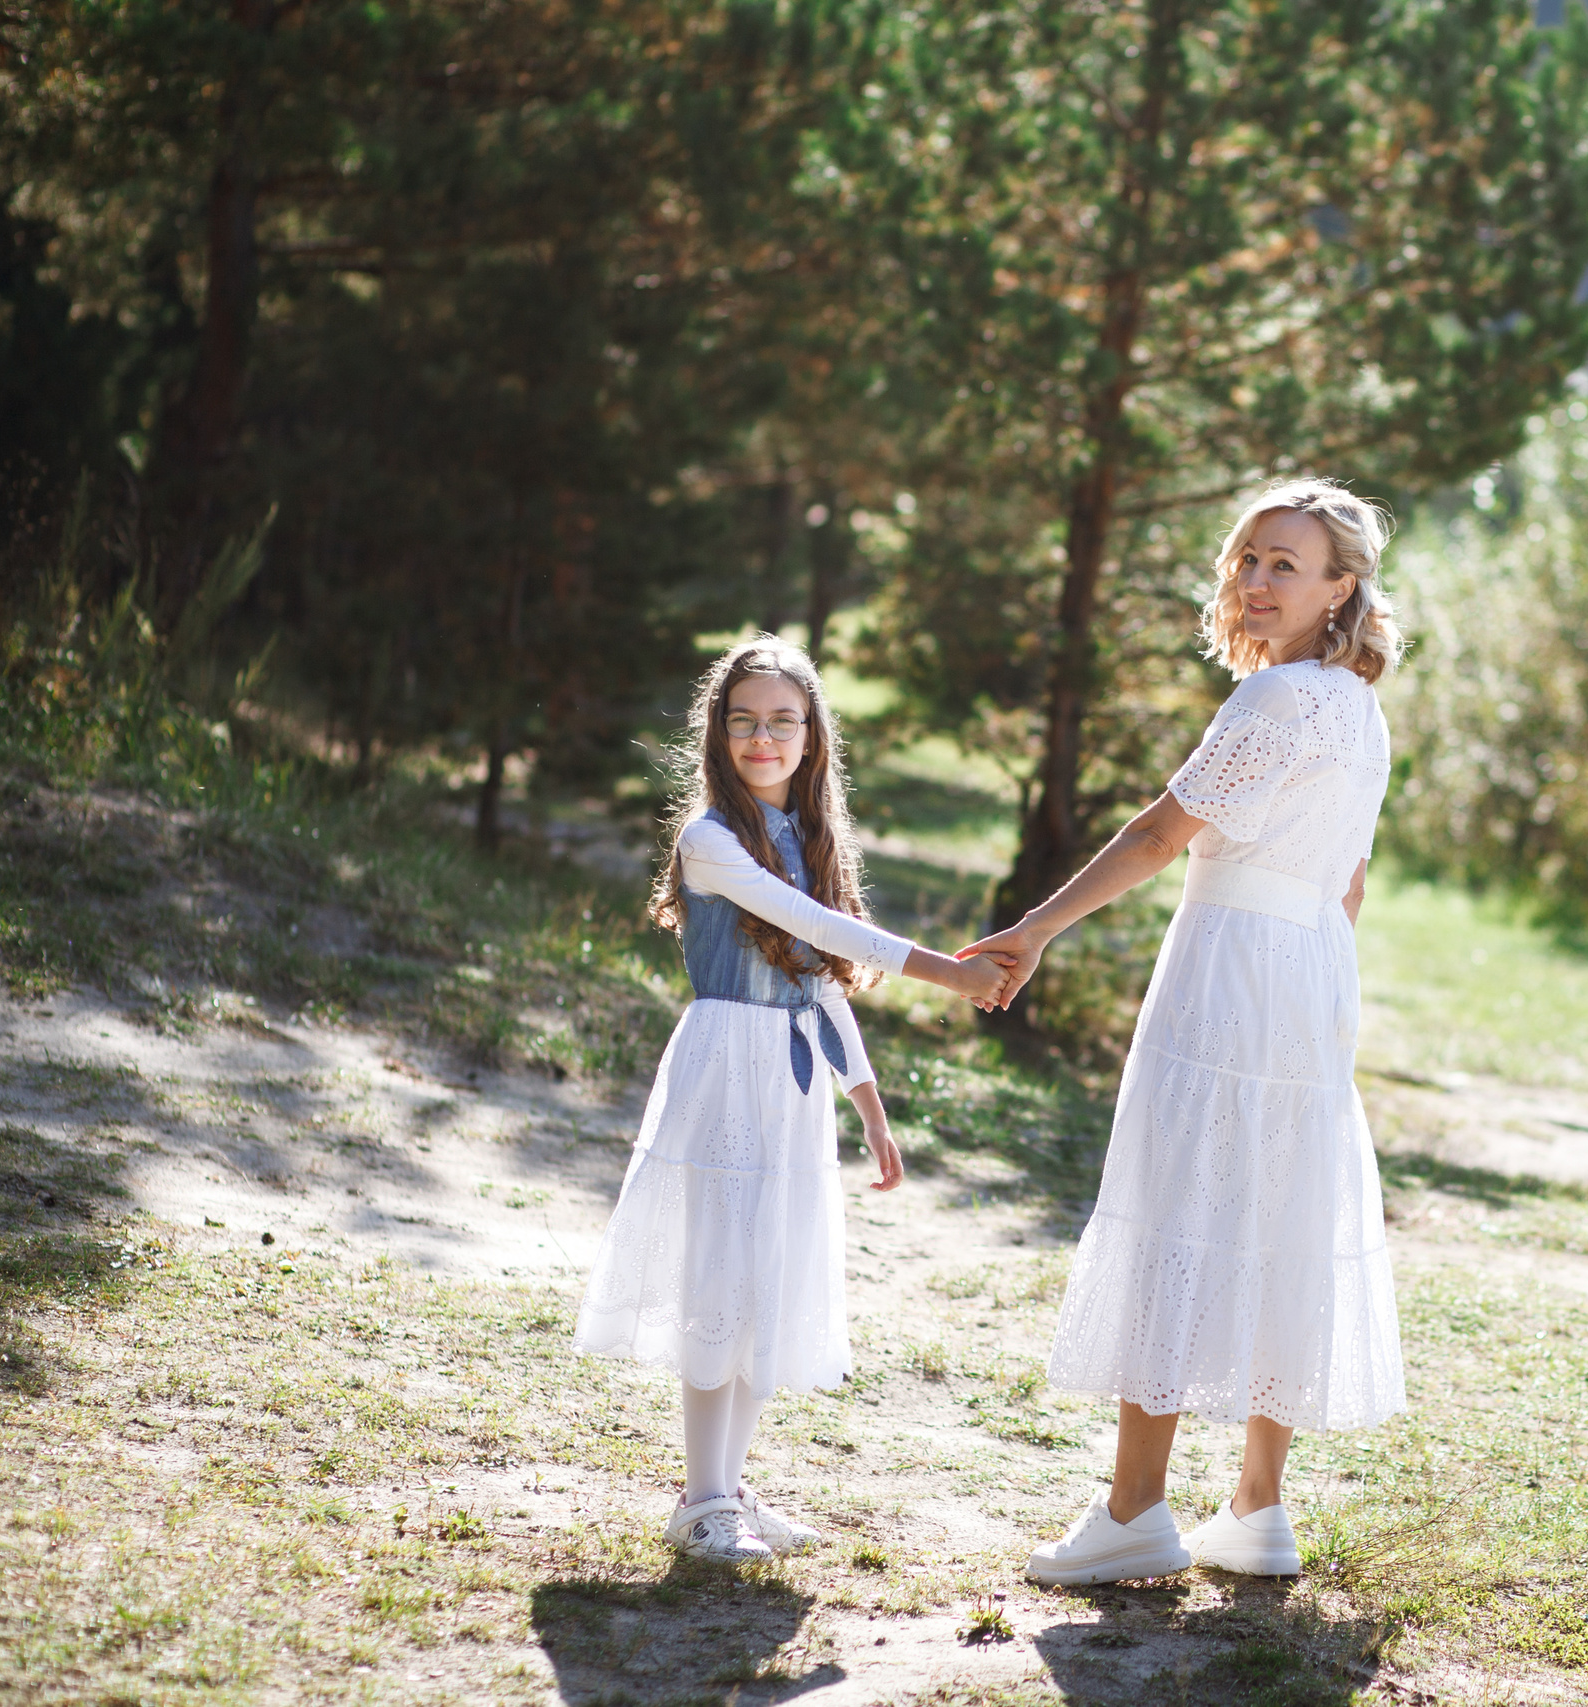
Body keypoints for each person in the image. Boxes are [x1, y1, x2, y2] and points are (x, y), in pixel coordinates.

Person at [961, 479, 1408, 1586]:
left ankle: (1133, 1513)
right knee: (1274, 1214)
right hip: (1310, 977)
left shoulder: (1274, 703)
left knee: (1183, 1206)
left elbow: (1162, 833)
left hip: (1231, 970)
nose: (1256, 583)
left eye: (1285, 566)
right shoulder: (1360, 712)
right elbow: (1348, 887)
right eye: (1249, 559)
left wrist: (1034, 927)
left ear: (1338, 588)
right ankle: (1257, 1512)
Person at [574, 637, 1006, 1563]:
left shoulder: (806, 836)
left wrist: (869, 1101)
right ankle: (699, 1499)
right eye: (742, 720)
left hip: (794, 1074)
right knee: (721, 1269)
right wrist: (944, 969)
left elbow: (820, 979)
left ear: (811, 736)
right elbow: (811, 925)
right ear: (717, 732)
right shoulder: (711, 839)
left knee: (767, 1273)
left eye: (781, 721)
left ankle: (729, 1488)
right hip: (728, 1062)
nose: (761, 737)